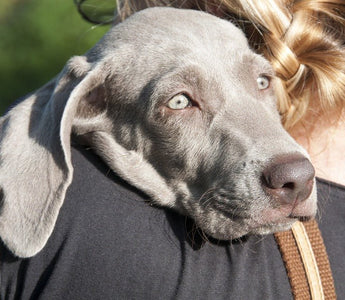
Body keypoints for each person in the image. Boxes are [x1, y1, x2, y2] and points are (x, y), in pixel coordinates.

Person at [1, 1, 344, 299]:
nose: (294, 169)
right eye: (181, 102)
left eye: (261, 82)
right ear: (91, 105)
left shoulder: (63, 243)